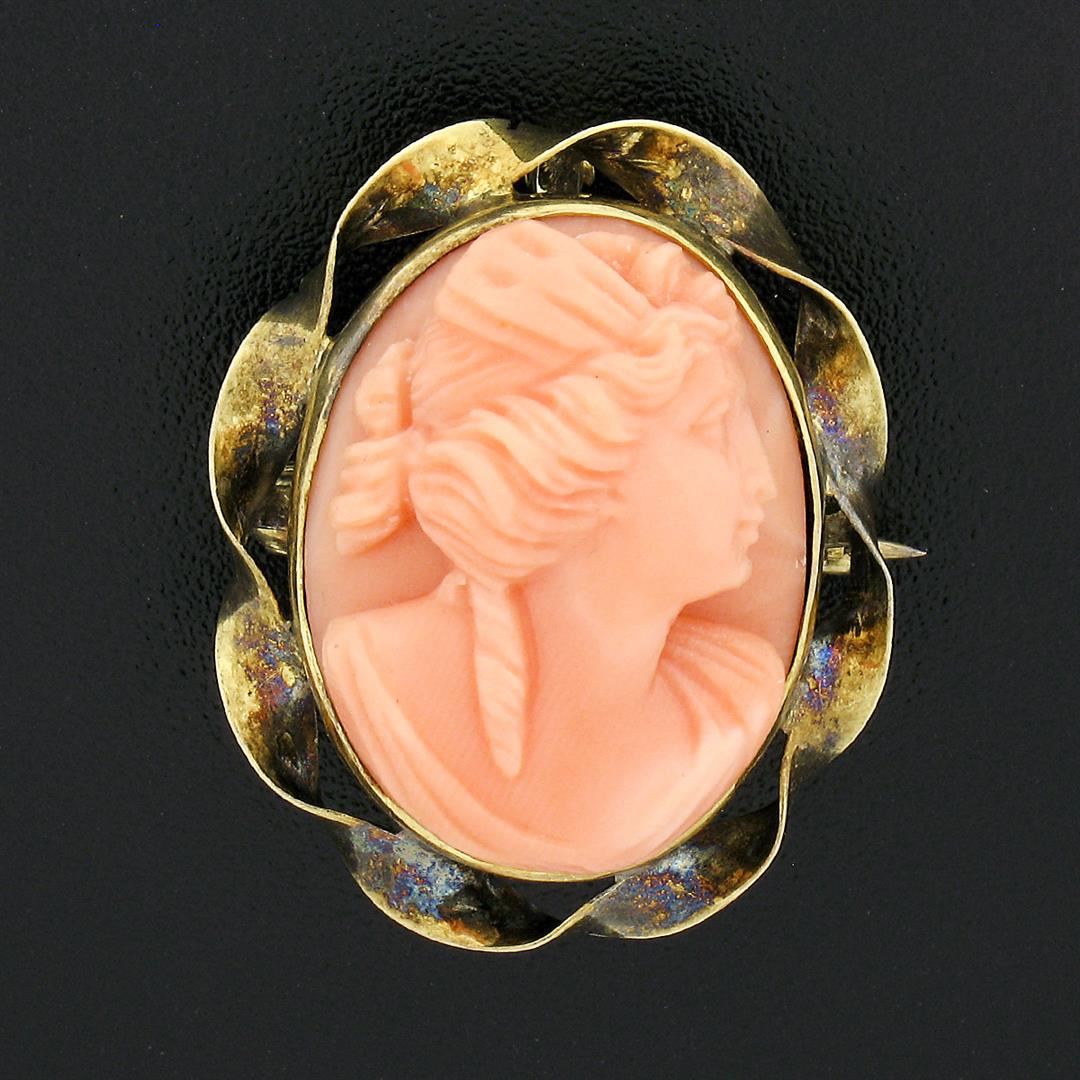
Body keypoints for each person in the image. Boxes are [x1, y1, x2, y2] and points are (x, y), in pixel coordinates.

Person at [319, 217, 787, 877]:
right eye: (711, 427)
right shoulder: (376, 676)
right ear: (568, 458)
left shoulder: (737, 693)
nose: (761, 479)